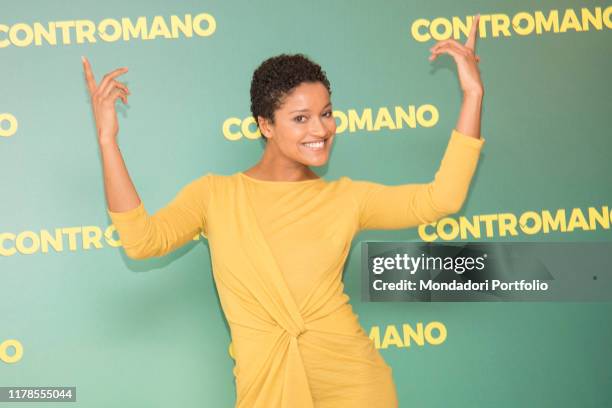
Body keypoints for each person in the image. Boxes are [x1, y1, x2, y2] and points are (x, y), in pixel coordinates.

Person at [83, 15, 485, 408]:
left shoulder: (346, 198)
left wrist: (472, 96)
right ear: (265, 125)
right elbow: (141, 242)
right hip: (267, 386)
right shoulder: (216, 195)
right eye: (300, 118)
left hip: (354, 384)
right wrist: (108, 142)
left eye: (326, 113)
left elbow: (441, 199)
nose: (321, 129)